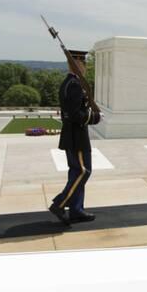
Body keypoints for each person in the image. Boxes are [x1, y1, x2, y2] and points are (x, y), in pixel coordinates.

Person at [49, 49, 101, 225]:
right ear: (76, 64)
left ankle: (76, 210)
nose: (85, 66)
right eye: (83, 63)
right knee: (82, 172)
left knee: (76, 172)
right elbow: (75, 114)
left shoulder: (69, 83)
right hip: (77, 135)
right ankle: (60, 203)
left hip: (72, 135)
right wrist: (94, 117)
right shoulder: (75, 85)